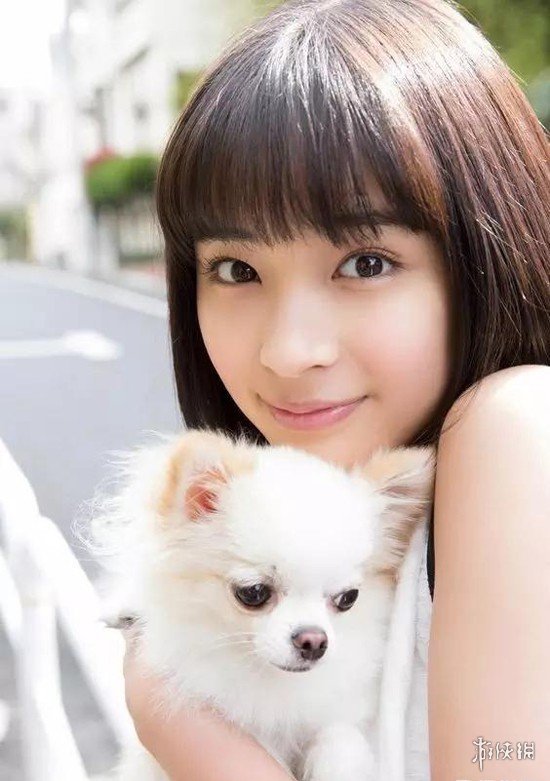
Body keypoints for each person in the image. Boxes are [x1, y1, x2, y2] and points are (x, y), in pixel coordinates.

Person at [121, 0, 550, 778]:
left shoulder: (515, 422)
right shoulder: (343, 501)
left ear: (487, 246)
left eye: (365, 263)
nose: (289, 351)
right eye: (237, 269)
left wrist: (177, 721)